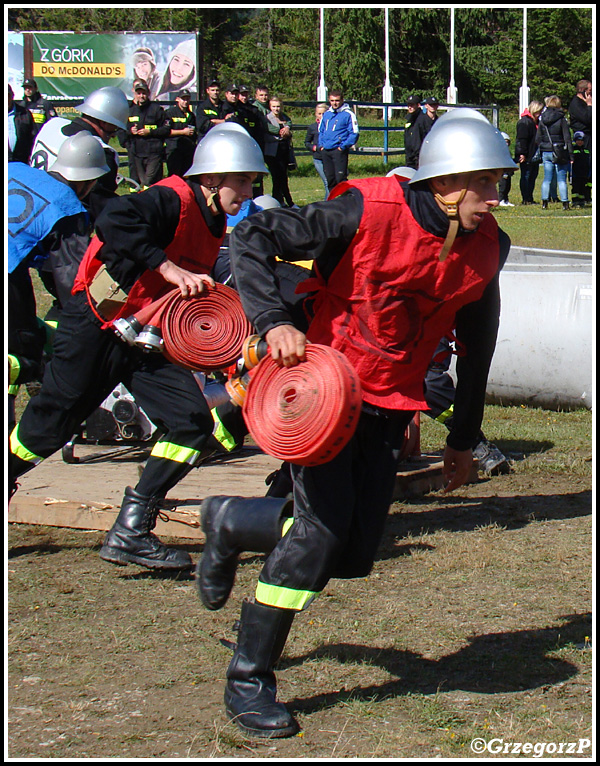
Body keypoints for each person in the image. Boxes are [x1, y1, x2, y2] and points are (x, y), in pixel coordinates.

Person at [195, 112, 516, 738]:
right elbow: (253, 236)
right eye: (486, 182)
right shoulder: (363, 210)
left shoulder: (489, 246)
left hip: (390, 407)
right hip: (323, 391)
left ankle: (229, 521)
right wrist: (272, 322)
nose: (497, 197)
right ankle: (248, 678)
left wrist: (461, 439)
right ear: (447, 184)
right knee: (316, 538)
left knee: (352, 555)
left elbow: (479, 347)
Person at [9, 123, 269, 573]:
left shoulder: (213, 219)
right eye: (241, 180)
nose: (247, 191)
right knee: (49, 426)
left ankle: (131, 529)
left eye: (250, 181)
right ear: (211, 178)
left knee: (190, 424)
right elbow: (112, 220)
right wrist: (167, 269)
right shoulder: (172, 198)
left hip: (143, 338)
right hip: (96, 323)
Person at [8, 133, 110, 433]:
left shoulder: (15, 169)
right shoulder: (67, 206)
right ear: (89, 181)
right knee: (21, 348)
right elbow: (71, 279)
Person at [30, 85, 129, 221]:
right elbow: (99, 206)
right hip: (58, 226)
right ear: (103, 122)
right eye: (114, 127)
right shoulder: (100, 152)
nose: (113, 136)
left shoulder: (52, 124)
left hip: (27, 207)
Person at [120, 78, 170, 188]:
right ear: (134, 93)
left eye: (144, 93)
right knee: (137, 182)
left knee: (149, 181)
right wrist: (130, 132)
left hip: (153, 152)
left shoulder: (156, 109)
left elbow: (166, 129)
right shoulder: (129, 110)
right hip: (136, 152)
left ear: (148, 93)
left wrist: (150, 132)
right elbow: (121, 129)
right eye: (139, 93)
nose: (141, 96)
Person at [536, 95, 574, 210]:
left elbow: (538, 138)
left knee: (547, 178)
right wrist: (571, 154)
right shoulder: (561, 119)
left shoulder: (542, 119)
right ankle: (565, 203)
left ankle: (544, 202)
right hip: (559, 151)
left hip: (546, 151)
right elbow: (567, 137)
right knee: (561, 178)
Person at [317, 89, 359, 190]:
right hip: (326, 150)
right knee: (330, 178)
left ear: (342, 100)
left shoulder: (348, 114)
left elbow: (354, 133)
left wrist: (342, 146)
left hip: (338, 150)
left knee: (340, 178)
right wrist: (321, 145)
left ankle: (346, 200)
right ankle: (333, 201)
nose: (334, 103)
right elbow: (321, 130)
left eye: (337, 100)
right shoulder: (327, 114)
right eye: (332, 101)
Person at [264, 97, 297, 208]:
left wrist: (287, 128)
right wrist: (281, 132)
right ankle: (285, 201)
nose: (276, 109)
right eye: (274, 106)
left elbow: (289, 123)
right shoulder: (267, 118)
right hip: (272, 151)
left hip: (283, 150)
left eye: (278, 106)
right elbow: (267, 130)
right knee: (277, 177)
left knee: (283, 176)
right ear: (270, 107)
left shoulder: (284, 117)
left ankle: (280, 200)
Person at [514, 100, 544, 205]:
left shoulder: (536, 122)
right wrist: (521, 153)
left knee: (532, 176)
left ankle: (529, 197)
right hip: (527, 154)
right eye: (537, 111)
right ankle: (525, 198)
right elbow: (521, 139)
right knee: (526, 176)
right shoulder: (524, 122)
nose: (539, 114)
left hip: (534, 154)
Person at [164, 88, 197, 178]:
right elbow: (166, 132)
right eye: (183, 99)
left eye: (187, 99)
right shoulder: (170, 113)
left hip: (187, 149)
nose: (185, 101)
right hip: (174, 148)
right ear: (177, 99)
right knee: (174, 176)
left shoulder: (191, 115)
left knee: (186, 176)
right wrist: (183, 132)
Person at [155, 38, 197, 102]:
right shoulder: (156, 84)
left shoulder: (193, 96)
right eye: (176, 60)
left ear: (193, 71)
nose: (178, 68)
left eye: (186, 64)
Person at [304, 103, 329, 199]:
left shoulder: (331, 127)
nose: (321, 116)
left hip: (329, 156)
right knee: (327, 181)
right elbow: (307, 142)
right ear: (315, 114)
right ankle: (327, 204)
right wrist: (314, 147)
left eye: (324, 113)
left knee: (332, 181)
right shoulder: (313, 127)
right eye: (319, 113)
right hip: (318, 158)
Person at [8, 83, 35, 163]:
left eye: (7, 95)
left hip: (21, 162)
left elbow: (32, 137)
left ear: (12, 96)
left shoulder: (25, 113)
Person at [403, 94, 430, 170]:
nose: (410, 107)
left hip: (418, 156)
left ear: (418, 105)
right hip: (409, 155)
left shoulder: (422, 119)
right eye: (408, 105)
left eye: (412, 105)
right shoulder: (409, 119)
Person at [570, 130, 592, 207]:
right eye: (578, 140)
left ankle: (582, 201)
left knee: (583, 188)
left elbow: (588, 163)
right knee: (576, 188)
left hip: (584, 174)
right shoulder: (573, 150)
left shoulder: (586, 150)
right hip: (576, 174)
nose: (580, 142)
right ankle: (575, 201)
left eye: (581, 140)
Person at [497, 132, 515, 206]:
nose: (506, 144)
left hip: (508, 171)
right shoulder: (499, 152)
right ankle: (501, 199)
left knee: (508, 186)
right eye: (505, 142)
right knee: (503, 186)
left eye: (507, 142)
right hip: (503, 172)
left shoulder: (507, 151)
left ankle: (506, 199)